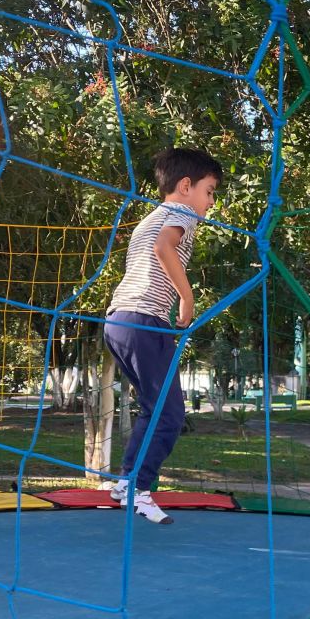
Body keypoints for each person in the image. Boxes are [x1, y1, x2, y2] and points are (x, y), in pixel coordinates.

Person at [103, 147, 222, 525]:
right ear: (186, 186)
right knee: (170, 415)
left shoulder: (151, 217)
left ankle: (127, 483)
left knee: (156, 410)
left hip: (119, 321)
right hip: (143, 320)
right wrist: (187, 298)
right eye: (210, 191)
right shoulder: (181, 213)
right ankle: (138, 488)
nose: (211, 201)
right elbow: (163, 247)